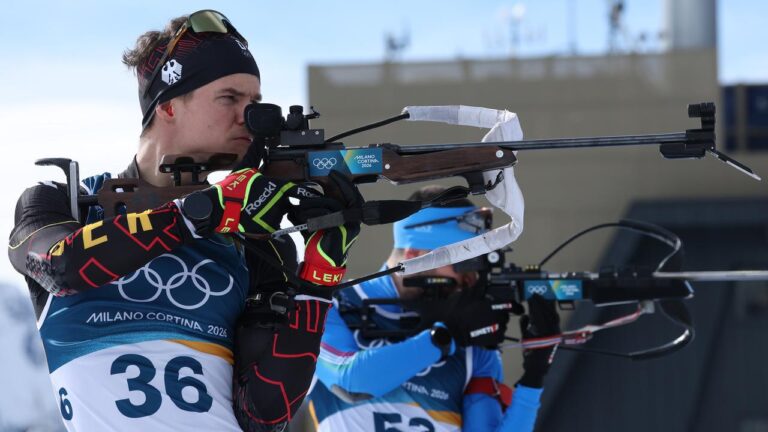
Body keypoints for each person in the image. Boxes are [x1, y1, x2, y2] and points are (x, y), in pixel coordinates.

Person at [8, 10, 360, 432]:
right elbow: (63, 265)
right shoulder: (63, 203)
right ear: (169, 105)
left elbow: (265, 412)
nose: (249, 118)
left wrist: (318, 279)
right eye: (230, 98)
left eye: (255, 102)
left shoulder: (254, 240)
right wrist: (200, 214)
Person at [307, 185, 561, 431]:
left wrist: (534, 376)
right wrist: (445, 337)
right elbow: (351, 382)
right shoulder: (330, 304)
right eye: (463, 263)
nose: (470, 279)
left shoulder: (474, 343)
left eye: (477, 267)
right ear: (414, 256)